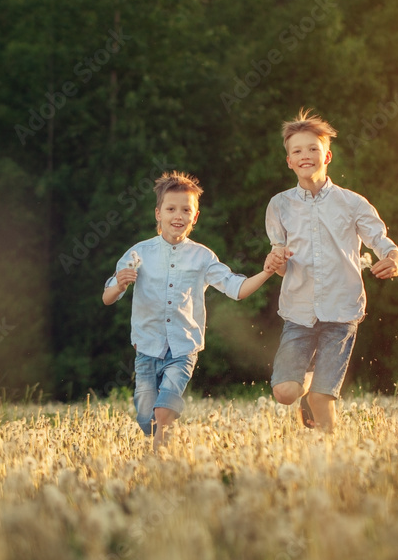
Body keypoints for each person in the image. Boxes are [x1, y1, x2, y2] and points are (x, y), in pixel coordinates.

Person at [104, 170, 276, 452]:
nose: (178, 215)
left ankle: (161, 459)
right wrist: (119, 283)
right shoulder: (139, 253)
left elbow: (236, 288)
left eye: (186, 209)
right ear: (158, 213)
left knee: (164, 412)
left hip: (184, 349)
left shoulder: (203, 256)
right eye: (171, 209)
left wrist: (267, 272)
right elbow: (108, 297)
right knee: (146, 416)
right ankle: (156, 433)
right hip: (146, 349)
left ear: (195, 217)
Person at [264, 109, 398, 432]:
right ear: (289, 161)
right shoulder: (279, 206)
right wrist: (276, 262)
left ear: (327, 155)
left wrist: (393, 259)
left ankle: (331, 464)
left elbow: (380, 240)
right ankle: (304, 393)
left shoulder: (352, 203)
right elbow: (278, 261)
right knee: (285, 391)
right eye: (297, 150)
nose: (305, 155)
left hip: (342, 311)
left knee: (323, 398)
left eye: (312, 148)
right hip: (298, 310)